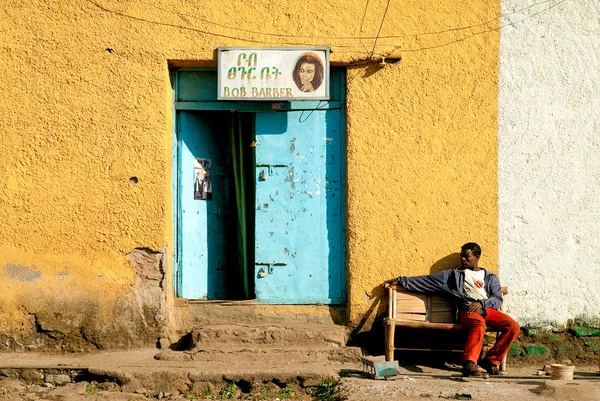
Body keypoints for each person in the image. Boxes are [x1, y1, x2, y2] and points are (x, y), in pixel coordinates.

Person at [383, 242, 520, 377]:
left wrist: (482, 304)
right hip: (467, 310)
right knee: (479, 325)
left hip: (487, 309)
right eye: (462, 256)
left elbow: (497, 299)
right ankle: (469, 363)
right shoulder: (453, 276)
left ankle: (491, 361)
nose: (463, 259)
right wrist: (400, 280)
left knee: (513, 326)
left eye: (467, 257)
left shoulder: (490, 277)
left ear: (477, 257)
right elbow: (426, 281)